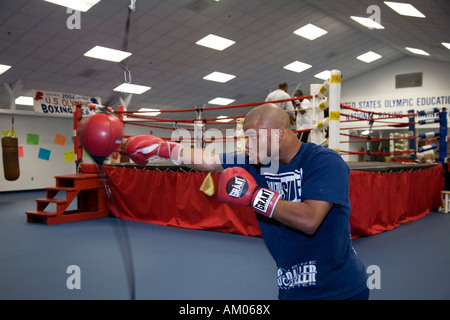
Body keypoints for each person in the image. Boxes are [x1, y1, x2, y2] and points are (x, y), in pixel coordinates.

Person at [125, 103, 369, 300]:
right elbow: (210, 160)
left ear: (278, 134)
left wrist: (254, 196)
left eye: (251, 138)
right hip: (292, 288)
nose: (246, 145)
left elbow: (309, 219)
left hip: (340, 290)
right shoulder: (258, 163)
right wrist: (164, 149)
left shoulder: (324, 161)